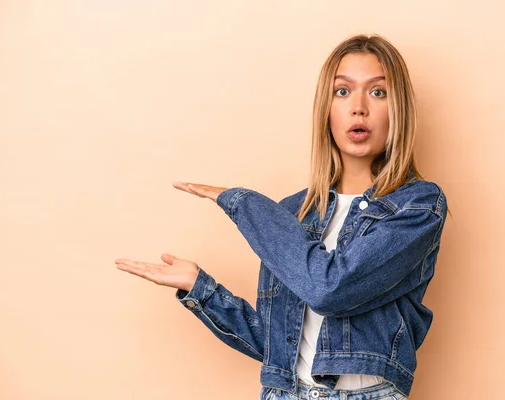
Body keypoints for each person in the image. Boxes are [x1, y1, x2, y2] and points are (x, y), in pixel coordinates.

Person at [115, 33, 449, 400]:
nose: (358, 107)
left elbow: (330, 289)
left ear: (398, 108)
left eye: (377, 92)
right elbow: (275, 345)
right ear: (326, 108)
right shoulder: (293, 213)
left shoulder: (417, 206)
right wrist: (200, 288)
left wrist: (244, 205)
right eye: (342, 92)